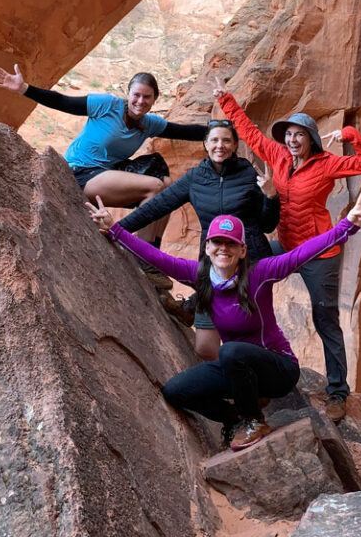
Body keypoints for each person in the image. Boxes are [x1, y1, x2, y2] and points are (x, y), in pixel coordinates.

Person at [87, 193, 361, 450]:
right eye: (217, 242)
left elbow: (302, 253)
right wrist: (114, 229)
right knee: (175, 391)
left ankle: (254, 421)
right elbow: (156, 257)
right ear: (208, 246)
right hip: (238, 368)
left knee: (229, 350)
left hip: (278, 369)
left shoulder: (260, 273)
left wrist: (347, 226)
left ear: (242, 250)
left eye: (230, 243)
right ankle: (235, 419)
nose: (223, 248)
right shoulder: (200, 275)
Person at [213, 81, 361, 422]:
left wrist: (348, 134)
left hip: (319, 254)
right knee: (248, 266)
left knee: (325, 321)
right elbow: (249, 133)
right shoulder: (277, 156)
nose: (291, 140)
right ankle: (242, 356)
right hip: (287, 247)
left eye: (298, 135)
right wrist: (225, 100)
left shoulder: (327, 163)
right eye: (288, 134)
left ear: (311, 138)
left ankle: (337, 393)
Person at [0, 64, 206, 288]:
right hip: (79, 173)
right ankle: (142, 256)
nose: (140, 101)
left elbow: (185, 131)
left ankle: (150, 254)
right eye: (137, 95)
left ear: (155, 99)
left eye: (147, 97)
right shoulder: (107, 105)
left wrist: (223, 129)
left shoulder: (149, 124)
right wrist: (24, 88)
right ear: (128, 93)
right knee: (155, 185)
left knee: (168, 186)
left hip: (105, 175)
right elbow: (63, 102)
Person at [113, 119, 281, 360]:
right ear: (205, 143)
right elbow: (157, 207)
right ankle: (218, 375)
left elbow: (267, 224)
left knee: (248, 338)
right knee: (205, 348)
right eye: (214, 140)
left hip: (251, 263)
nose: (219, 146)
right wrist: (116, 228)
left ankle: (249, 389)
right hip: (213, 264)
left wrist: (270, 197)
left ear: (234, 145)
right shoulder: (195, 178)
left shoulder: (248, 175)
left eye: (226, 140)